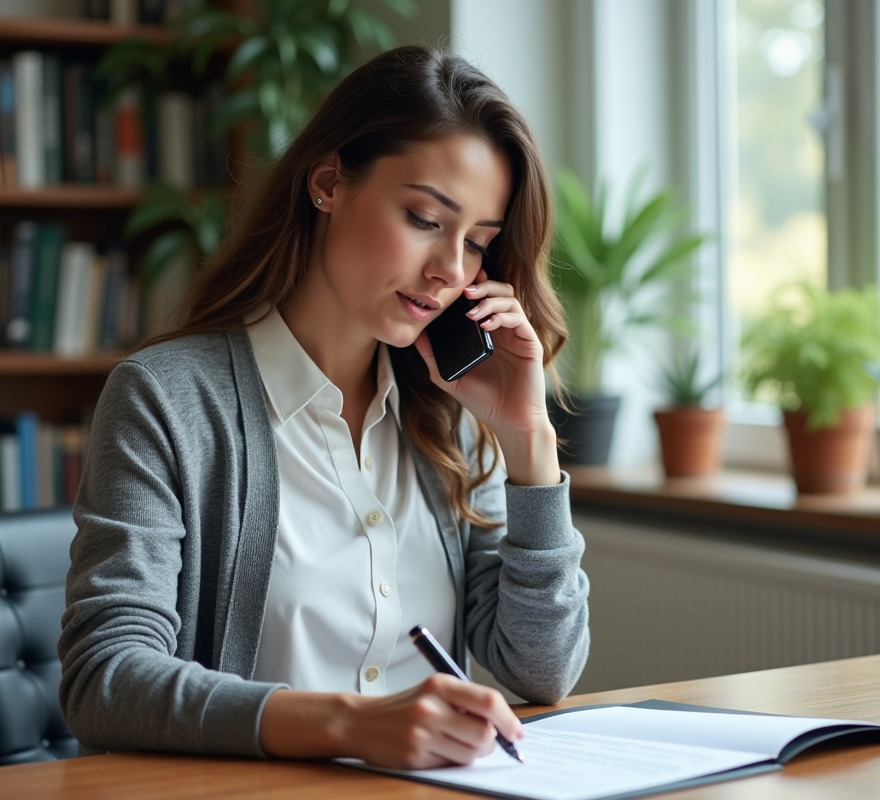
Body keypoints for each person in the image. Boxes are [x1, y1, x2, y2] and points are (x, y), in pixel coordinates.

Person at [57, 44, 591, 770]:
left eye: (478, 245)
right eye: (425, 218)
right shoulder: (167, 399)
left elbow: (541, 669)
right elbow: (106, 680)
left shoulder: (452, 414)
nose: (449, 271)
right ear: (329, 183)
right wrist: (352, 725)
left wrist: (529, 440)